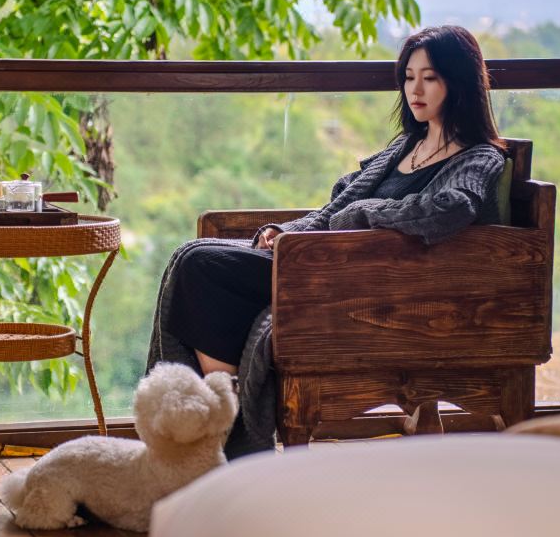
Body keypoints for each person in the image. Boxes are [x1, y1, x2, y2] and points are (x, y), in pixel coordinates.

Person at [146, 25, 506, 456]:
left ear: (459, 82)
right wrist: (289, 231)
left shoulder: (478, 156)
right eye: (409, 77)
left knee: (202, 267)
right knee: (191, 255)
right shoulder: (406, 145)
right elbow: (336, 208)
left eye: (430, 77)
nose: (415, 90)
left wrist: (366, 213)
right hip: (324, 263)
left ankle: (223, 425)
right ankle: (218, 419)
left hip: (357, 285)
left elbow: (450, 208)